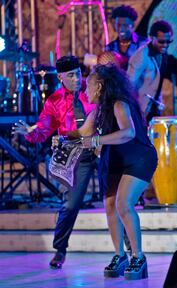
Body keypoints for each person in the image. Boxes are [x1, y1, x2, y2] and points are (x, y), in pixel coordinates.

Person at [72, 64, 157, 280]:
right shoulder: (97, 112)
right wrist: (55, 138)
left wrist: (96, 140)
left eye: (88, 86)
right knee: (109, 205)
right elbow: (81, 134)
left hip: (138, 158)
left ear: (99, 86)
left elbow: (128, 132)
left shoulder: (120, 104)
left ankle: (138, 257)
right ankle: (120, 255)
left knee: (123, 204)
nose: (85, 91)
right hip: (116, 162)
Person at [12, 56, 97, 269]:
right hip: (76, 156)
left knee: (116, 202)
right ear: (60, 77)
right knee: (70, 204)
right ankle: (60, 249)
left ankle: (127, 249)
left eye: (78, 73)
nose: (77, 79)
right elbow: (42, 130)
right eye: (71, 75)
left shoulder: (93, 91)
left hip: (103, 148)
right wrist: (29, 133)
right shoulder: (54, 101)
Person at [127, 20, 173, 122]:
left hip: (154, 106)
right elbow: (129, 85)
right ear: (152, 38)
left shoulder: (162, 52)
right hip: (141, 109)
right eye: (161, 41)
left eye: (168, 42)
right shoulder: (141, 56)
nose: (165, 45)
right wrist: (136, 110)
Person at [105, 5, 147, 70]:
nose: (121, 29)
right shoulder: (110, 48)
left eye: (125, 25)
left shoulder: (144, 44)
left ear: (133, 25)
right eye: (118, 25)